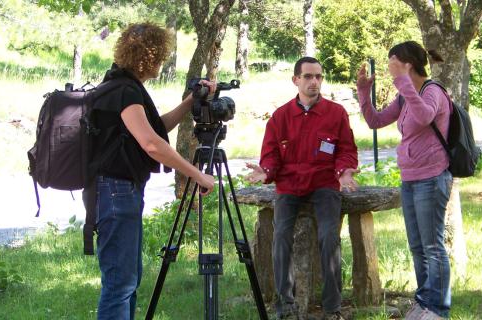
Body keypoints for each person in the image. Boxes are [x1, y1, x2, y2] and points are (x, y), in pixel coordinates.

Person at [82, 22, 216, 320]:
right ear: (149, 57)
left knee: (128, 279)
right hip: (116, 192)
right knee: (120, 283)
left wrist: (191, 101)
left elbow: (157, 128)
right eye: (161, 56)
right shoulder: (124, 91)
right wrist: (196, 174)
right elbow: (151, 144)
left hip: (118, 191)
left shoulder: (123, 86)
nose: (163, 61)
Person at [245, 57, 358, 320]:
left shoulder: (336, 113)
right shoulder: (281, 116)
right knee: (281, 236)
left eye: (318, 76)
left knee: (329, 237)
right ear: (295, 80)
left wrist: (344, 172)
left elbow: (346, 150)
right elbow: (271, 155)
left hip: (324, 183)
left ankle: (332, 308)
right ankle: (286, 305)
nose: (314, 82)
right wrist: (267, 171)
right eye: (308, 76)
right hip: (289, 185)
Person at [356, 41, 453, 320]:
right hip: (410, 179)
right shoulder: (404, 97)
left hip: (432, 178)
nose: (388, 69)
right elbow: (375, 121)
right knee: (417, 246)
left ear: (406, 63)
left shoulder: (432, 91)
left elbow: (423, 116)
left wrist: (402, 82)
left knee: (433, 246)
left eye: (392, 63)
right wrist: (364, 91)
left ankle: (438, 309)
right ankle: (424, 303)